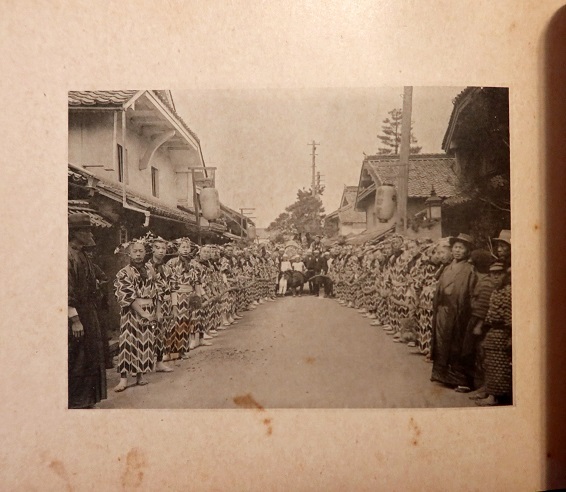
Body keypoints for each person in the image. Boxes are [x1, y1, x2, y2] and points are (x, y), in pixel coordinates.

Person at [68, 213, 107, 408]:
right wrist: (74, 319)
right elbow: (66, 290)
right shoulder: (68, 256)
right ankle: (76, 400)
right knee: (79, 358)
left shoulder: (82, 254)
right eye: (85, 230)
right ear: (75, 233)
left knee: (91, 354)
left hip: (89, 311)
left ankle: (88, 399)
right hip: (78, 314)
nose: (89, 234)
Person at [430, 233, 477, 389]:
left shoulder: (469, 269)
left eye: (461, 248)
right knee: (442, 342)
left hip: (458, 312)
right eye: (455, 247)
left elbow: (469, 292)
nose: (457, 251)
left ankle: (460, 379)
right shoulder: (448, 267)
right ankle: (442, 375)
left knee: (456, 344)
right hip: (443, 311)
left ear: (467, 251)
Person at [113, 238, 157, 392]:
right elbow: (126, 295)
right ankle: (123, 379)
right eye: (135, 251)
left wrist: (154, 312)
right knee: (127, 342)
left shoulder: (150, 270)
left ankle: (140, 374)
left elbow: (155, 292)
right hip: (131, 312)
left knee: (144, 341)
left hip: (148, 309)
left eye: (141, 251)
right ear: (129, 253)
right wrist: (142, 312)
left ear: (146, 253)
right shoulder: (123, 273)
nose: (138, 254)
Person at [476, 263, 512, 406]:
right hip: (493, 330)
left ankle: (494, 397)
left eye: (499, 274)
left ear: (505, 275)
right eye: (493, 274)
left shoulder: (508, 292)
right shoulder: (495, 291)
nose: (496, 277)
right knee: (489, 363)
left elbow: (510, 317)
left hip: (503, 331)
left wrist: (511, 336)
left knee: (499, 364)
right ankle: (488, 390)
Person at [146, 235, 174, 372]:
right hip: (150, 304)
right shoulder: (146, 267)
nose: (161, 251)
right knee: (150, 332)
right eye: (158, 248)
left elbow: (173, 287)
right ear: (152, 249)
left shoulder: (167, 268)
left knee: (162, 332)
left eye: (164, 248)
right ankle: (146, 362)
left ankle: (159, 361)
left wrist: (173, 305)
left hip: (165, 303)